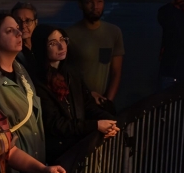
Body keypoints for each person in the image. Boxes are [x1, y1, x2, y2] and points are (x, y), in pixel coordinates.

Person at [30, 23, 120, 160]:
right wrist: (95, 125)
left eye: (62, 40)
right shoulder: (38, 82)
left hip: (79, 144)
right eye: (53, 43)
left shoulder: (71, 73)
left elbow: (88, 105)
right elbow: (56, 124)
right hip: (59, 152)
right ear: (42, 48)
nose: (61, 46)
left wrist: (111, 122)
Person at [0, 11, 44, 173]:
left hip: (34, 164)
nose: (19, 33)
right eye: (9, 31)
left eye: (17, 28)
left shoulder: (20, 69)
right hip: (11, 171)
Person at [63, 0, 125, 104]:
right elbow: (63, 73)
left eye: (99, 1)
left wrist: (107, 102)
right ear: (80, 4)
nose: (95, 6)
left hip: (102, 102)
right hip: (77, 101)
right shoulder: (68, 34)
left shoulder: (113, 32)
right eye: (89, 2)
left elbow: (116, 72)